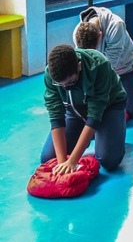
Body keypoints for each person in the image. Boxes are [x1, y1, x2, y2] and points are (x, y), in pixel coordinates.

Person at [40, 44, 127, 172]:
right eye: (60, 84)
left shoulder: (99, 65)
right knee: (48, 158)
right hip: (75, 111)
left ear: (79, 66)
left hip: (108, 108)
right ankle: (90, 135)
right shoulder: (50, 74)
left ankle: (112, 132)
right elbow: (56, 116)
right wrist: (62, 163)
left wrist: (73, 161)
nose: (65, 87)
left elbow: (95, 115)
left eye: (70, 82)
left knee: (109, 160)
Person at [73, 6, 133, 119]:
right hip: (99, 68)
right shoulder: (77, 32)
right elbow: (82, 58)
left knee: (131, 110)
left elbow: (110, 65)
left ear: (100, 35)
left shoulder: (116, 26)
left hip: (126, 67)